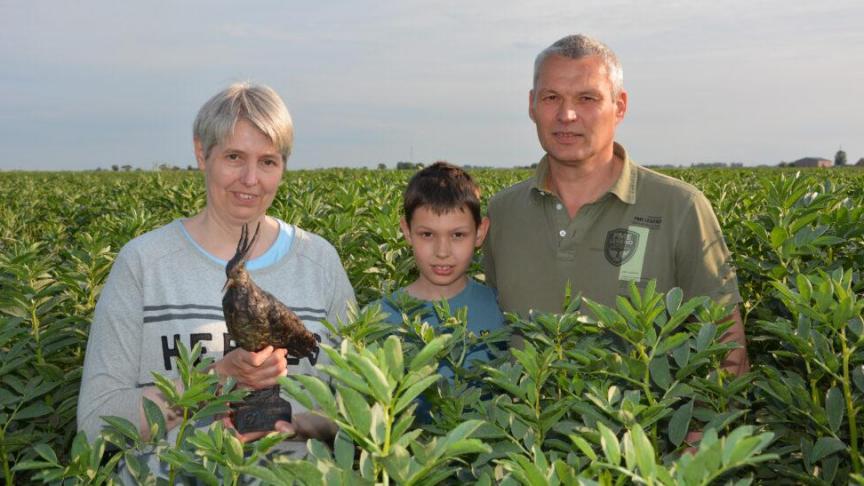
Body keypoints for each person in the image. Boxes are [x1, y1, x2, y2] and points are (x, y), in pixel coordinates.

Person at [77, 83, 356, 474]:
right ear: (200, 153)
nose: (250, 178)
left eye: (268, 161)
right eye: (234, 157)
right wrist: (214, 381)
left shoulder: (320, 261)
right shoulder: (144, 263)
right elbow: (95, 426)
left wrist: (294, 422)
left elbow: (358, 412)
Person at [482, 34, 749, 376]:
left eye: (587, 98)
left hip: (645, 430)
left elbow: (729, 348)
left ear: (619, 106)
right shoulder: (502, 213)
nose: (567, 114)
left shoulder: (681, 207)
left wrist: (697, 430)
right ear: (532, 105)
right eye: (551, 98)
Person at [374, 162, 505, 374]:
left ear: (480, 233)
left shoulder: (501, 309)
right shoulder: (377, 318)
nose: (442, 252)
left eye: (458, 235)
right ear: (406, 232)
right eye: (427, 234)